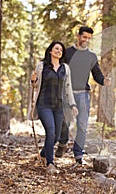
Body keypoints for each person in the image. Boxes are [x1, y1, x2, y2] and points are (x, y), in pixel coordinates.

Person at [55, 26, 111, 167]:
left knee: (82, 126)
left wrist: (104, 81)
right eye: (84, 37)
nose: (86, 40)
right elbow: (58, 70)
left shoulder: (91, 56)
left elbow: (96, 74)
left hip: (83, 95)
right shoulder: (67, 52)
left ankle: (78, 154)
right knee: (65, 122)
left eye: (88, 38)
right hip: (67, 93)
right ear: (78, 36)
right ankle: (62, 143)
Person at [27, 41, 78, 174]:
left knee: (55, 136)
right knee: (50, 131)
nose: (59, 51)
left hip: (59, 106)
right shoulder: (42, 66)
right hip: (44, 104)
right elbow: (34, 85)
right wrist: (33, 80)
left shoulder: (65, 68)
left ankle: (44, 154)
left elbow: (68, 87)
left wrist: (72, 104)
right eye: (56, 48)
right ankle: (50, 164)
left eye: (61, 50)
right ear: (50, 51)